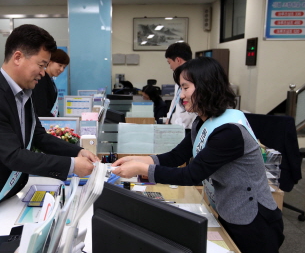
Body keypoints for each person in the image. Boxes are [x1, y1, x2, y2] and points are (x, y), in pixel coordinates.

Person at [0, 24, 98, 251]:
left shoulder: (24, 93)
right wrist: (73, 166)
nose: (43, 72)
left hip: (5, 194)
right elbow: (13, 156)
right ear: (18, 57)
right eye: (41, 65)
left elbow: (38, 136)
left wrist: (77, 151)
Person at [112, 57, 284, 253]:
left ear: (206, 87)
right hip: (228, 210)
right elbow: (177, 156)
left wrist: (141, 169)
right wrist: (136, 160)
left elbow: (192, 174)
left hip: (254, 221)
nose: (181, 96)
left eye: (185, 88)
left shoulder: (230, 132)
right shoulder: (202, 121)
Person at [164, 42, 196, 129]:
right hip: (176, 125)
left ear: (178, 60)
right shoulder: (180, 77)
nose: (170, 66)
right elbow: (175, 99)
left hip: (187, 127)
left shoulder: (194, 76)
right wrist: (169, 118)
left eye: (169, 62)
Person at [32, 48, 70, 116]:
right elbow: (41, 108)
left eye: (64, 67)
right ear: (50, 62)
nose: (61, 70)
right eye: (60, 65)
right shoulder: (41, 80)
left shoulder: (50, 80)